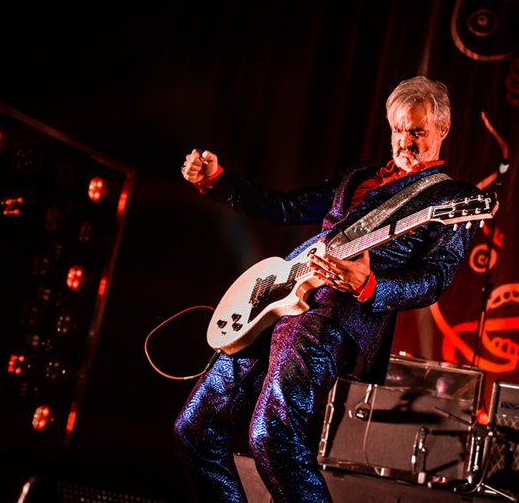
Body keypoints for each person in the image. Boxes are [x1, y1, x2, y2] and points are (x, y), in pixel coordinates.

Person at [174, 76, 483, 502]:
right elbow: (286, 206)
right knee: (194, 428)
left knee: (271, 434)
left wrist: (368, 283)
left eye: (417, 131)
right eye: (397, 129)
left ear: (442, 130)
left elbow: (434, 279)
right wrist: (219, 180)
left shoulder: (452, 198)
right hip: (276, 298)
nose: (404, 141)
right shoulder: (359, 175)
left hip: (334, 317)